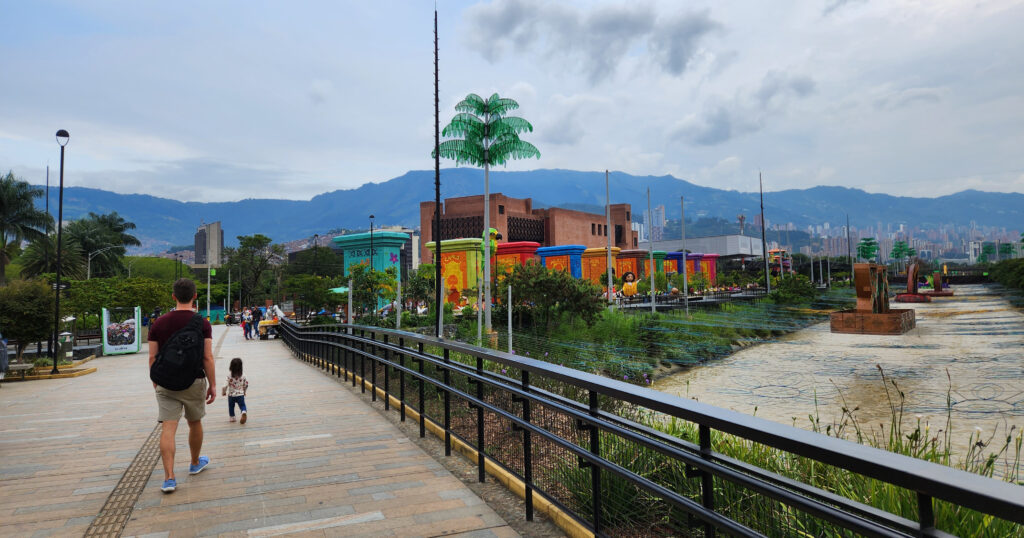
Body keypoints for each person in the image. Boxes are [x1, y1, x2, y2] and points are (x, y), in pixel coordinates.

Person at [148, 278, 216, 494]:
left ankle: (169, 478)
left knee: (168, 428)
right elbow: (207, 358)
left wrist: (156, 381)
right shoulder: (202, 323)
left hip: (166, 383)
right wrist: (212, 384)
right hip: (194, 380)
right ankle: (195, 462)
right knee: (194, 423)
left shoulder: (158, 323)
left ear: (173, 296)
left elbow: (152, 357)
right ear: (195, 296)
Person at [221, 357, 249, 423]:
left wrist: (224, 392)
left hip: (231, 395)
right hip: (240, 394)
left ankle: (232, 417)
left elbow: (224, 386)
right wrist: (244, 391)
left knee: (231, 406)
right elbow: (246, 384)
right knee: (242, 405)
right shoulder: (244, 375)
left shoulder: (229, 376)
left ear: (231, 367)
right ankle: (243, 411)